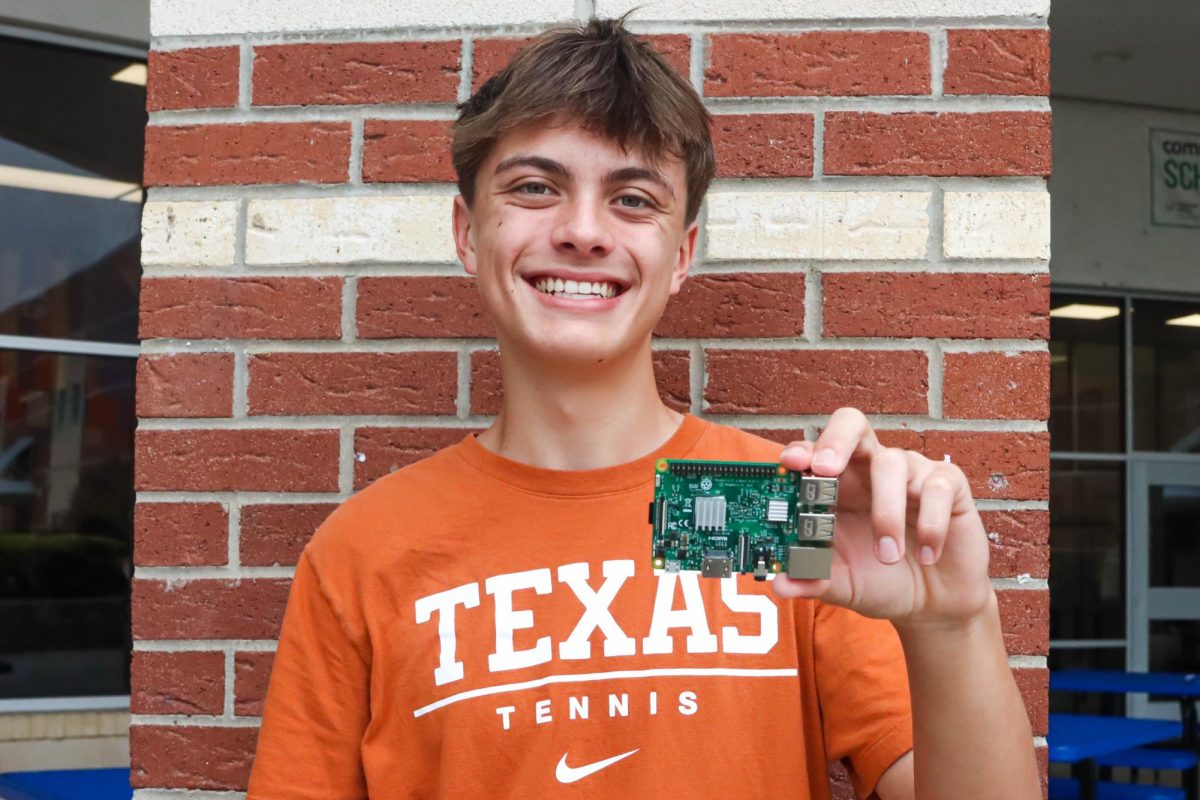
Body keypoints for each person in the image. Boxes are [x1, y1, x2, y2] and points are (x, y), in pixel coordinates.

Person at [246, 17, 1040, 800]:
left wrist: (953, 628)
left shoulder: (764, 508)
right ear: (467, 232)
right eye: (534, 187)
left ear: (682, 254)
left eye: (632, 199)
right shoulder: (368, 550)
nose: (584, 231)